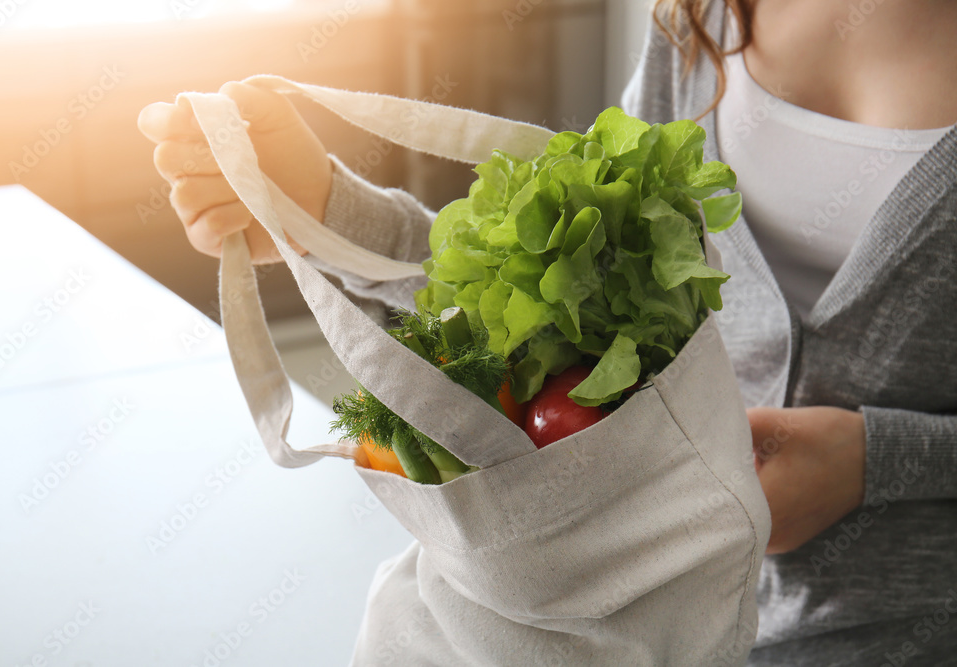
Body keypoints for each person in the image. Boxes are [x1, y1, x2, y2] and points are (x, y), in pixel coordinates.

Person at [138, 0, 957, 663]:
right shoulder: (705, 17)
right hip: (642, 616)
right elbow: (554, 308)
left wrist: (873, 463)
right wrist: (325, 209)